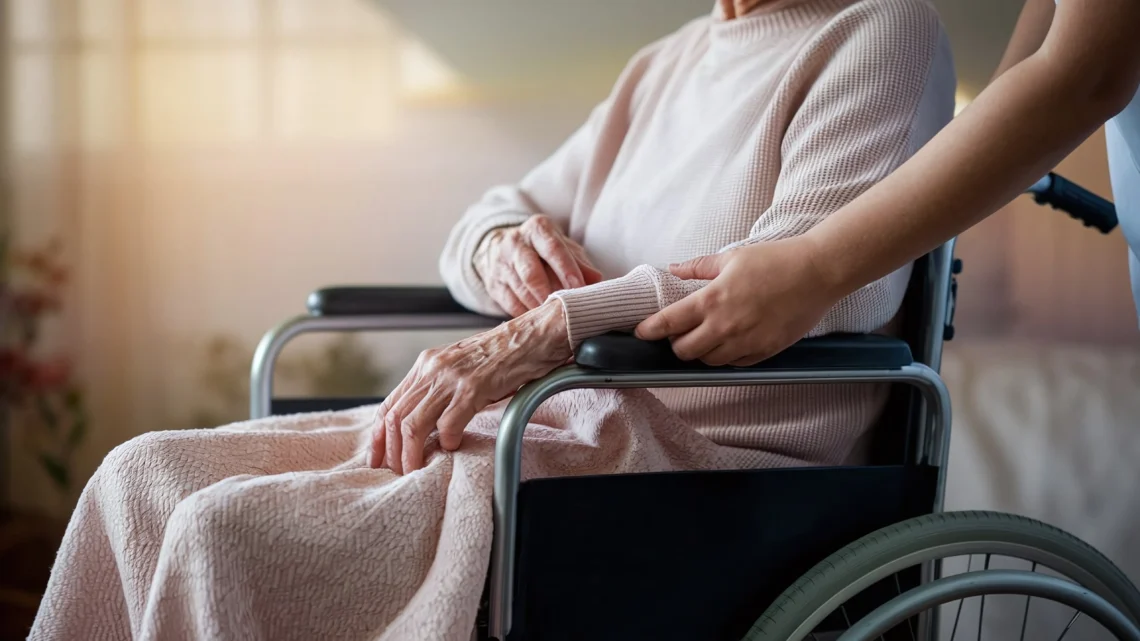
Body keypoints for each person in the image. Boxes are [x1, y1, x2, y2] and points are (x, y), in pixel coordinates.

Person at [32, 1, 955, 639]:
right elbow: (488, 210)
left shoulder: (879, 34)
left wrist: (539, 332)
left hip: (685, 458)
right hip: (540, 424)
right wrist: (505, 245)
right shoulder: (668, 63)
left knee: (220, 538)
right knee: (138, 477)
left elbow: (824, 291)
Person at [635, 0, 1140, 366]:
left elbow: (1088, 73)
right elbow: (1052, 36)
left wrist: (817, 264)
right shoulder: (665, 64)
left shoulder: (887, 30)